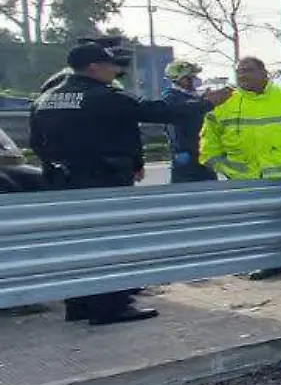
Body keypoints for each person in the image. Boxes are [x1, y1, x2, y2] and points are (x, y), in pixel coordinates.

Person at [30, 42, 230, 325]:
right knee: (109, 242)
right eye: (110, 65)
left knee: (75, 243)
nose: (116, 70)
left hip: (61, 181)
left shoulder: (47, 97)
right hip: (102, 180)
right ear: (93, 67)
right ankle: (110, 307)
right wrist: (207, 102)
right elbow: (157, 112)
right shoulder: (102, 96)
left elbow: (37, 142)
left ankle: (78, 306)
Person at [201, 56, 281, 279]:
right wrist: (224, 168)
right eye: (239, 71)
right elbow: (209, 145)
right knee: (259, 224)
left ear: (264, 73)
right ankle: (270, 263)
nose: (243, 75)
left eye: (249, 70)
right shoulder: (223, 105)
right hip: (245, 179)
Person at [161, 60, 216, 183]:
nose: (194, 79)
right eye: (190, 77)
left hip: (203, 154)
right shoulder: (171, 98)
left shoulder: (193, 97)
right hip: (186, 157)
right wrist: (204, 102)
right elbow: (184, 111)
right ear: (178, 79)